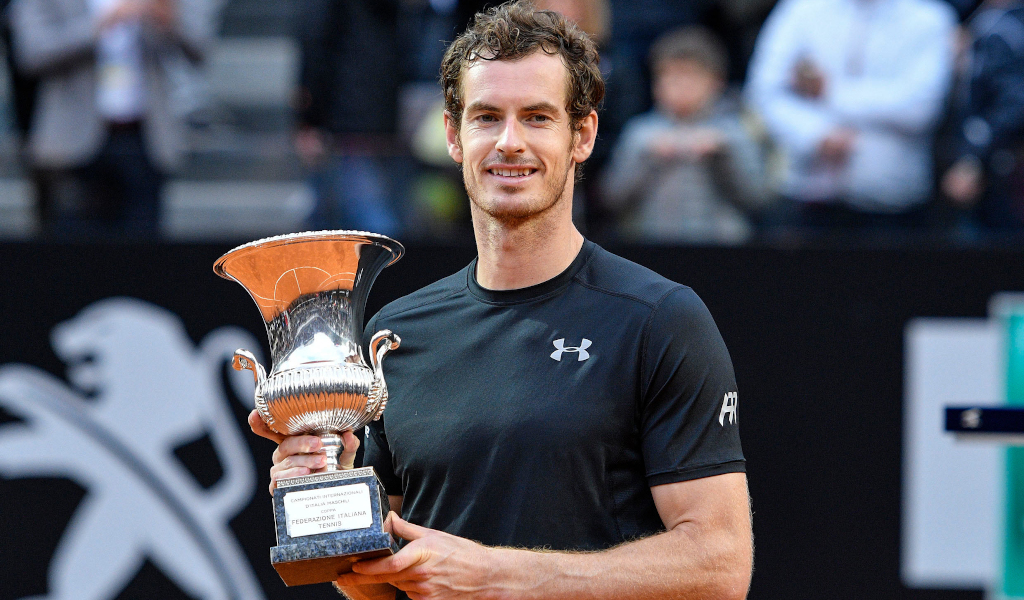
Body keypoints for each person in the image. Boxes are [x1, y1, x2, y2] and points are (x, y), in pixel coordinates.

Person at [250, 3, 752, 599]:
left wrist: (497, 578)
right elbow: (375, 586)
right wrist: (323, 494)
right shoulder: (394, 335)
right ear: (452, 135)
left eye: (537, 117)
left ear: (582, 135)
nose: (509, 143)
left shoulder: (661, 320)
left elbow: (720, 567)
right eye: (487, 117)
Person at [745, 0, 957, 231]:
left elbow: (921, 107)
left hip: (892, 204)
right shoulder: (801, 8)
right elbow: (764, 91)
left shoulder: (928, 17)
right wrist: (815, 134)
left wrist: (830, 92)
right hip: (805, 198)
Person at [9, 0, 215, 239]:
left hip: (144, 140)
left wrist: (167, 19)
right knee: (72, 252)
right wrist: (104, 23)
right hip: (73, 142)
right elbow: (31, 53)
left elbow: (200, 47)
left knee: (143, 254)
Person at [600, 26, 769, 244]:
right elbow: (612, 198)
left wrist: (723, 154)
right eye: (669, 76)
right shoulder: (640, 132)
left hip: (723, 253)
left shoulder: (735, 131)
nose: (679, 86)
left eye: (689, 76)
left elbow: (756, 199)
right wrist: (647, 157)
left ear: (716, 82)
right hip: (651, 251)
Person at [294, 0, 405, 236]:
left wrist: (309, 119)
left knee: (368, 218)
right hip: (381, 114)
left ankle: (393, 269)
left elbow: (316, 42)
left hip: (346, 121)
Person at [941, 0, 1024, 232]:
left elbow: (1014, 103)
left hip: (999, 170)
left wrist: (972, 157)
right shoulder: (982, 19)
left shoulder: (1005, 28)